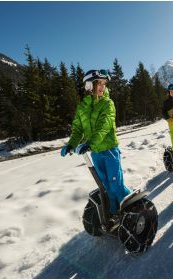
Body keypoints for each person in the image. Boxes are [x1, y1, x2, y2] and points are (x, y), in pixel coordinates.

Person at [60, 69, 131, 218]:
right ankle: (113, 213)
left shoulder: (108, 103)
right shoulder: (82, 107)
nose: (101, 87)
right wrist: (71, 144)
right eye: (98, 83)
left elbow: (104, 126)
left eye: (103, 84)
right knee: (105, 186)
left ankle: (131, 210)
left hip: (110, 150)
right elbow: (78, 129)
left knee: (115, 184)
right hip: (96, 153)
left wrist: (90, 142)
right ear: (88, 86)